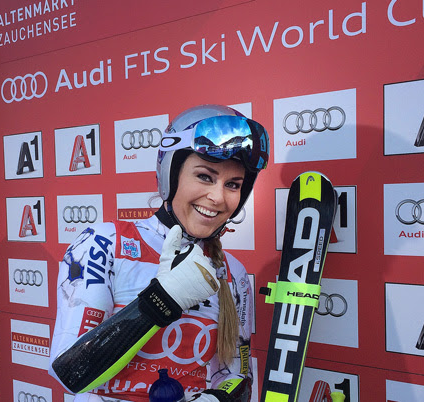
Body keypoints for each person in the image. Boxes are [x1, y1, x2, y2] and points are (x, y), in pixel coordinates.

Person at [48, 104, 270, 402]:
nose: (218, 197)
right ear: (171, 174)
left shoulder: (233, 272)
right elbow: (71, 373)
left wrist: (217, 399)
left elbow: (238, 376)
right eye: (205, 176)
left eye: (233, 185)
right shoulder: (106, 243)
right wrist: (159, 302)